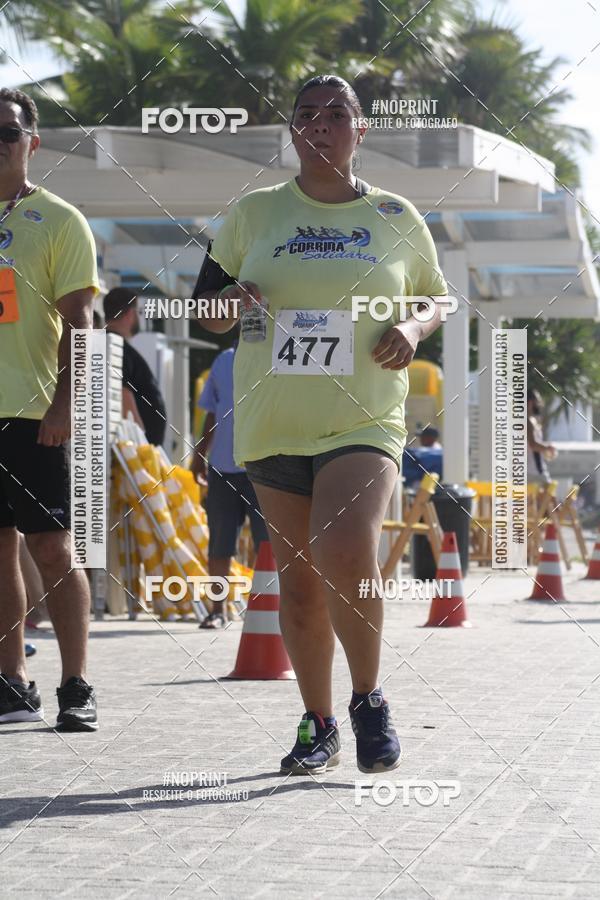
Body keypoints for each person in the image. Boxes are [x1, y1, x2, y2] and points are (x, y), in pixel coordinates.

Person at [196, 75, 447, 775]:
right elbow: (204, 312)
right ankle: (318, 722)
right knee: (299, 585)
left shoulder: (396, 214)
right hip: (275, 422)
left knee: (344, 546)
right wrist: (233, 302)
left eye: (336, 114)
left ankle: (368, 698)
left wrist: (413, 323)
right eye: (306, 115)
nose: (320, 124)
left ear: (360, 130)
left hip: (362, 417)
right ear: (293, 132)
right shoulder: (253, 215)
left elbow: (436, 298)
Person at [0, 88, 100, 730]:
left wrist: (67, 401)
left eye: (8, 132)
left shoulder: (60, 220)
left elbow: (84, 324)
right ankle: (11, 680)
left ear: (32, 143)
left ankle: (76, 685)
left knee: (53, 549)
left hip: (34, 413)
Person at [191, 338, 270, 628]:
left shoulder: (276, 355)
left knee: (269, 543)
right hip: (223, 466)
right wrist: (199, 454)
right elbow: (212, 412)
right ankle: (217, 610)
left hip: (263, 465)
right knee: (220, 544)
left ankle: (271, 608)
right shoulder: (223, 360)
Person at [103, 287, 167, 446]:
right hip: (135, 449)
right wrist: (140, 441)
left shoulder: (112, 344)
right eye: (138, 312)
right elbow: (122, 392)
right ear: (130, 313)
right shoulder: (116, 347)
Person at [527, 389, 556, 484]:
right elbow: (533, 444)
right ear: (530, 402)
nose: (540, 404)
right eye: (538, 401)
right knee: (551, 497)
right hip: (532, 473)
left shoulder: (531, 420)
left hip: (537, 471)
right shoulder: (527, 421)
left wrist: (545, 448)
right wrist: (548, 448)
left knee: (551, 497)